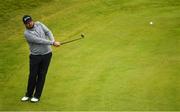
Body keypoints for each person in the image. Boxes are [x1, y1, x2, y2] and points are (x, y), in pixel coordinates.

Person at [21, 15, 60, 103]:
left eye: (30, 21)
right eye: (27, 23)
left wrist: (53, 40)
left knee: (42, 75)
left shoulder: (39, 24)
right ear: (25, 25)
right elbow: (39, 40)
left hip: (47, 55)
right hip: (35, 56)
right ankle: (28, 95)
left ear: (32, 20)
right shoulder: (27, 33)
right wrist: (52, 43)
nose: (29, 23)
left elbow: (48, 31)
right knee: (32, 75)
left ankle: (37, 96)